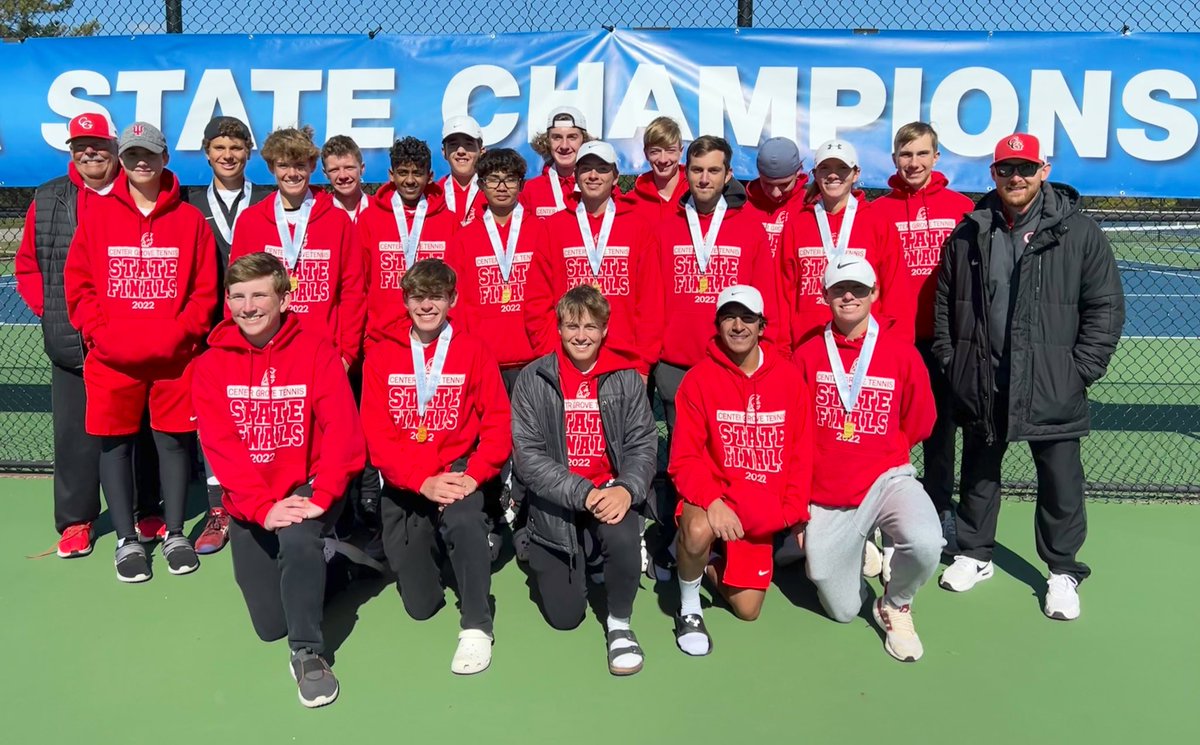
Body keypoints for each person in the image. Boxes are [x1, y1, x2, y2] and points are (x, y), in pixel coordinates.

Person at [934, 133, 1124, 621]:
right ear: (993, 175)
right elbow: (943, 301)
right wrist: (952, 359)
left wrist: (1081, 369)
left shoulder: (1079, 233)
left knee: (1060, 480)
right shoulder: (970, 230)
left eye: (1024, 168)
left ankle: (1061, 570)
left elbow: (1104, 307)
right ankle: (975, 554)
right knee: (979, 469)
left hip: (1052, 380)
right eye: (1004, 169)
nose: (1014, 177)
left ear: (1043, 170)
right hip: (982, 374)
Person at [192, 252, 366, 708]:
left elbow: (343, 432)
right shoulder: (210, 365)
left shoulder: (316, 350)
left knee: (298, 542)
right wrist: (260, 506)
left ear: (284, 299)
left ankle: (307, 653)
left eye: (259, 295)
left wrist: (322, 494)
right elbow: (222, 447)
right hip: (252, 497)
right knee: (270, 623)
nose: (248, 307)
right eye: (238, 297)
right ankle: (337, 565)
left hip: (307, 486)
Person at [64, 121, 217, 582]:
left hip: (173, 360)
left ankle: (173, 534)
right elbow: (80, 285)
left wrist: (181, 336)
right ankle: (127, 540)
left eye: (149, 154)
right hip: (112, 360)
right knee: (114, 446)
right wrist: (99, 334)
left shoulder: (190, 220)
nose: (141, 162)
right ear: (121, 161)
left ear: (165, 158)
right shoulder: (98, 215)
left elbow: (205, 291)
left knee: (173, 443)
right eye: (131, 155)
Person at [361, 259, 511, 674]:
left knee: (464, 521)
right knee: (421, 606)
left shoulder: (474, 349)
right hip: (407, 479)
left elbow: (498, 425)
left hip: (458, 472)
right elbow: (376, 436)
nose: (427, 305)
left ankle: (478, 623)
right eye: (418, 296)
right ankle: (452, 553)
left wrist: (472, 476)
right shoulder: (381, 356)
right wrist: (419, 481)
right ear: (405, 300)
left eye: (437, 296)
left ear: (453, 300)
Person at [794, 257, 943, 662]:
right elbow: (794, 433)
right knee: (841, 609)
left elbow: (921, 419)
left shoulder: (901, 352)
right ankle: (860, 552)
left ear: (874, 293)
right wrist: (799, 510)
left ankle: (895, 603)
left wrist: (877, 449)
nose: (849, 296)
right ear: (824, 295)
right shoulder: (807, 355)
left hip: (887, 479)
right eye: (839, 289)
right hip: (828, 493)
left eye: (858, 288)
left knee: (928, 541)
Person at [510, 285, 657, 674]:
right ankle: (533, 540)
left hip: (609, 492)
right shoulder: (533, 378)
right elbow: (528, 457)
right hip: (559, 502)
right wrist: (582, 493)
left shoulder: (625, 378)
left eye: (591, 327)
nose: (581, 335)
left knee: (622, 533)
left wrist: (627, 488)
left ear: (605, 330)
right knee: (565, 617)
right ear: (558, 328)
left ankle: (621, 624)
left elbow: (643, 444)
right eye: (572, 326)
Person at [668, 285, 811, 655]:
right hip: (715, 498)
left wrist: (793, 513)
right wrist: (712, 501)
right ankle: (689, 605)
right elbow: (684, 458)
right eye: (729, 317)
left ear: (762, 326)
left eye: (747, 317)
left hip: (760, 512)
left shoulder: (790, 378)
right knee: (698, 528)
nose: (737, 325)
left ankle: (704, 559)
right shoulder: (698, 379)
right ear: (717, 325)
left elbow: (801, 452)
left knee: (748, 609)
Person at [16, 112, 123, 558]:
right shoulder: (48, 198)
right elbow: (27, 266)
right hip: (73, 342)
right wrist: (55, 314)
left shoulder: (138, 192)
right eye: (81, 144)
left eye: (97, 142)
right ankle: (77, 521)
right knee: (74, 439)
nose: (89, 151)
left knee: (130, 435)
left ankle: (139, 512)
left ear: (114, 146)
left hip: (124, 342)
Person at [870, 122, 974, 550]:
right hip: (893, 341)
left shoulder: (961, 208)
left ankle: (938, 507)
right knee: (886, 428)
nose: (913, 163)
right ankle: (881, 512)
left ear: (936, 157)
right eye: (905, 154)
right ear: (894, 159)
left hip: (944, 341)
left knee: (940, 429)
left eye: (921, 154)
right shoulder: (878, 212)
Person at [183, 114, 273, 555]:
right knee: (216, 420)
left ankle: (266, 495)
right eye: (220, 148)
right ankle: (220, 507)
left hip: (259, 329)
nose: (228, 156)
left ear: (249, 153)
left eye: (236, 148)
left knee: (264, 415)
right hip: (210, 332)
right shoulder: (190, 204)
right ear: (207, 153)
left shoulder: (271, 201)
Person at [229, 126, 366, 371]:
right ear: (271, 167)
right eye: (283, 165)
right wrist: (238, 347)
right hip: (264, 353)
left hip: (324, 356)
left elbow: (352, 291)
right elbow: (236, 290)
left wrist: (346, 355)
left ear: (312, 166)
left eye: (300, 165)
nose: (292, 174)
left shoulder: (337, 221)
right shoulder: (250, 221)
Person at [525, 140, 664, 376]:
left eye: (602, 169)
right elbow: (537, 300)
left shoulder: (638, 226)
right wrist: (552, 353)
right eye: (586, 168)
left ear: (616, 176)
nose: (593, 175)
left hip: (625, 361)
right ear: (576, 175)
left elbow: (650, 302)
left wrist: (642, 363)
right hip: (568, 360)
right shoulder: (554, 227)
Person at [778, 138, 913, 352]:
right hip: (808, 347)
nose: (833, 175)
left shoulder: (878, 223)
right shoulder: (797, 225)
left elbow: (897, 292)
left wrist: (898, 348)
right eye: (825, 168)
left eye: (842, 167)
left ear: (856, 173)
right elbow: (782, 296)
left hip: (866, 347)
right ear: (815, 174)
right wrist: (782, 351)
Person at [359, 136, 460, 347]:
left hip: (435, 337)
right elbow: (360, 284)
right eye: (403, 172)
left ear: (430, 176)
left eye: (418, 173)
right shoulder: (370, 219)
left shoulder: (448, 221)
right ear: (391, 175)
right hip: (381, 338)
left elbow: (457, 282)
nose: (410, 180)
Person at [520, 106, 592, 218]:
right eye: (557, 137)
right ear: (547, 141)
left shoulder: (598, 184)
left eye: (572, 137)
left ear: (584, 141)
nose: (564, 146)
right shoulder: (531, 189)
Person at [745, 137, 809, 259]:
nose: (775, 193)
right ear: (759, 173)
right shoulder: (743, 205)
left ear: (799, 171)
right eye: (767, 184)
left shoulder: (810, 205)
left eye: (784, 185)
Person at [622, 115, 688, 225]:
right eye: (655, 152)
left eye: (670, 151)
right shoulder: (632, 203)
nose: (663, 159)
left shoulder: (696, 194)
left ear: (680, 152)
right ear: (646, 154)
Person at [437, 115, 488, 227]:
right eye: (453, 145)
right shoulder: (434, 194)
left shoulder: (494, 190)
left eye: (468, 144)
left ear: (482, 151)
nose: (461, 151)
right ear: (444, 152)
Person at [321, 135, 368, 222]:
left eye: (349, 168)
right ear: (325, 173)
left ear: (362, 168)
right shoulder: (319, 214)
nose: (343, 176)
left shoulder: (380, 210)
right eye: (334, 170)